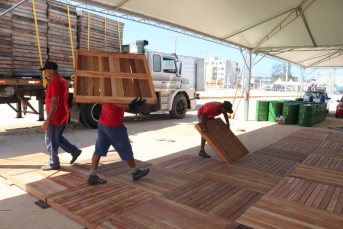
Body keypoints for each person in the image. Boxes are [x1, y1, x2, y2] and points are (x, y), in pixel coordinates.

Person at [87, 98, 150, 185]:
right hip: (114, 125)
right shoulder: (113, 88)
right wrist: (130, 106)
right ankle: (135, 173)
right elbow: (116, 102)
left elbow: (109, 101)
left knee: (98, 150)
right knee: (126, 148)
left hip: (103, 124)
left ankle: (92, 176)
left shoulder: (104, 90)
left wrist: (129, 103)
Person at [40, 61, 82, 171]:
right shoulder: (62, 80)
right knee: (57, 138)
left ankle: (54, 163)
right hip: (63, 115)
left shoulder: (54, 83)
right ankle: (74, 151)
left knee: (50, 139)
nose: (44, 73)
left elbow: (54, 102)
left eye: (45, 71)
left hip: (55, 117)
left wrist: (48, 120)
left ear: (51, 71)